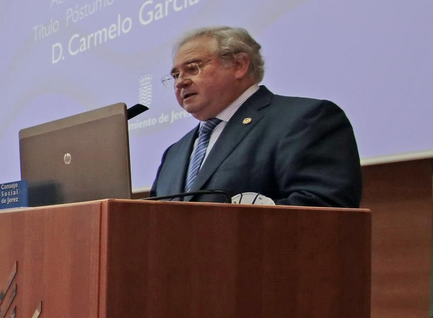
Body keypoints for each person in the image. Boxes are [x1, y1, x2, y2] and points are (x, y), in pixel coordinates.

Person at [150, 25, 362, 207]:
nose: (180, 82)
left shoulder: (305, 120)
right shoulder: (174, 153)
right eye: (175, 75)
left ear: (239, 65)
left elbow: (322, 207)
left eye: (193, 68)